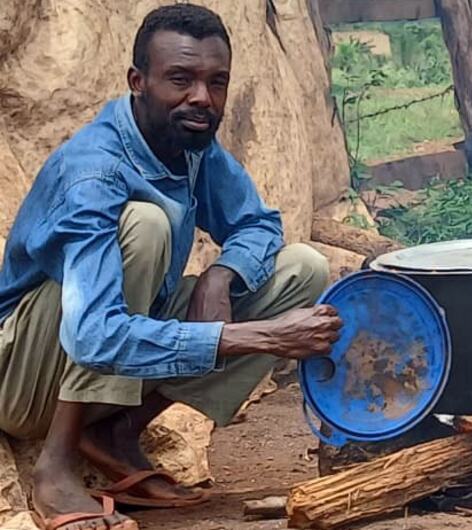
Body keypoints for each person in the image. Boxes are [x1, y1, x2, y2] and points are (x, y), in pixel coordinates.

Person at [0, 5, 343, 529]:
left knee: (303, 268)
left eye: (216, 82)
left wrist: (220, 274)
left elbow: (259, 224)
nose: (201, 98)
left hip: (109, 367)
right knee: (145, 224)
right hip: (24, 377)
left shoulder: (189, 143)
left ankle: (116, 430)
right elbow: (94, 337)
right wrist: (260, 337)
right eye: (180, 79)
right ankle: (55, 464)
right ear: (137, 81)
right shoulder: (94, 170)